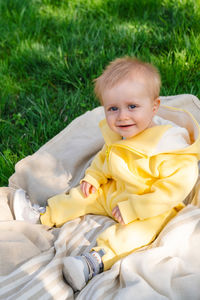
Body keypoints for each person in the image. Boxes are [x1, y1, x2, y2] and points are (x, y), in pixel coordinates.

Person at [13, 57, 200, 292]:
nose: (122, 116)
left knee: (138, 233)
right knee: (82, 195)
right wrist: (93, 178)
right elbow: (105, 158)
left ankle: (94, 260)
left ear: (154, 107)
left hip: (149, 205)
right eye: (113, 108)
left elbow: (173, 189)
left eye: (132, 106)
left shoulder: (169, 145)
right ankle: (44, 214)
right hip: (116, 191)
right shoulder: (120, 134)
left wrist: (134, 208)